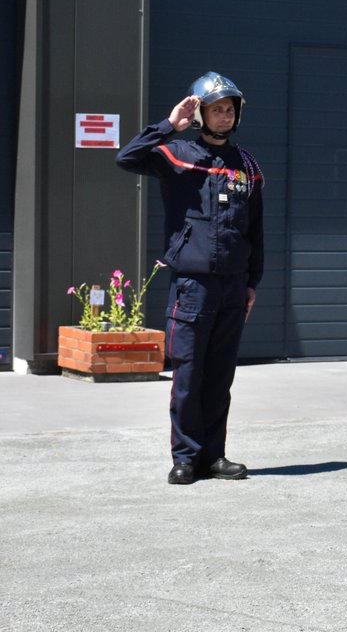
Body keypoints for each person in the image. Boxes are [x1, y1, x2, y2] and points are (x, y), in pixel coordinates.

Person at [115, 72, 264, 486]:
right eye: (216, 109)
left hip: (233, 286)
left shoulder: (246, 166)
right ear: (201, 113)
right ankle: (185, 457)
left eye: (229, 109)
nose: (224, 116)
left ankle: (214, 458)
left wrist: (253, 282)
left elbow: (255, 230)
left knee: (220, 377)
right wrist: (169, 125)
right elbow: (126, 157)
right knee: (187, 375)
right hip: (192, 287)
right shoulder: (177, 154)